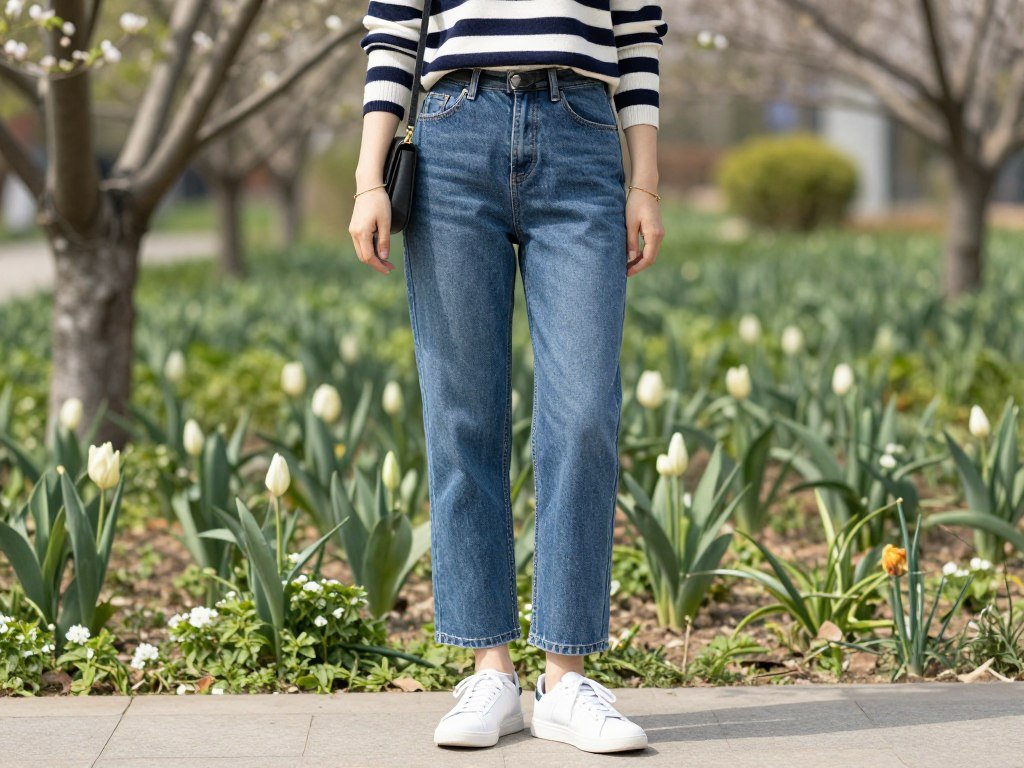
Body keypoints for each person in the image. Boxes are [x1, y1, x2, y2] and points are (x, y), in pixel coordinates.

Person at [349, 0, 667, 755]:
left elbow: (637, 34)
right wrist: (370, 176)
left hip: (582, 132)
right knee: (462, 411)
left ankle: (565, 678)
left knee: (586, 411)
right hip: (456, 127)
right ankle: (489, 667)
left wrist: (645, 181)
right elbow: (395, 25)